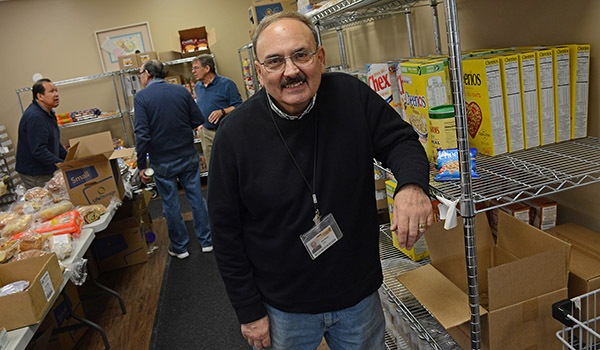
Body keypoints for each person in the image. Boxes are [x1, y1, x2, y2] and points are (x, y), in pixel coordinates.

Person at [207, 12, 433, 350]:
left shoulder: (350, 96)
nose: (291, 71)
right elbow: (225, 232)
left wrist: (412, 186)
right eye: (275, 61)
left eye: (301, 54)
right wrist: (249, 311)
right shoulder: (234, 134)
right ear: (258, 71)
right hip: (283, 307)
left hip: (358, 296)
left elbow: (401, 141)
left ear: (321, 57)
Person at [134, 59, 212, 259]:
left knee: (170, 203)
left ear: (148, 74)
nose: (140, 77)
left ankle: (180, 247)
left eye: (141, 73)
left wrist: (141, 165)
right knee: (196, 197)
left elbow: (142, 134)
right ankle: (207, 241)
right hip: (187, 155)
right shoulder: (181, 91)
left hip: (162, 160)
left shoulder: (142, 97)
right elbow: (197, 119)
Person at [192, 54, 242, 170]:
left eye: (196, 68)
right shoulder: (197, 87)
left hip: (225, 131)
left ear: (207, 68)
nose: (193, 71)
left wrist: (222, 111)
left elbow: (239, 105)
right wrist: (200, 123)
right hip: (206, 133)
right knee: (213, 168)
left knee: (230, 165)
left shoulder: (227, 84)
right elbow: (201, 106)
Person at [16, 78, 67, 189]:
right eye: (51, 91)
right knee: (43, 203)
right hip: (36, 173)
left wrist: (68, 159)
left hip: (45, 168)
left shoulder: (48, 113)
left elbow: (53, 141)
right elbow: (39, 150)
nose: (56, 94)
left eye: (56, 90)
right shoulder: (36, 117)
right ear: (40, 96)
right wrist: (62, 164)